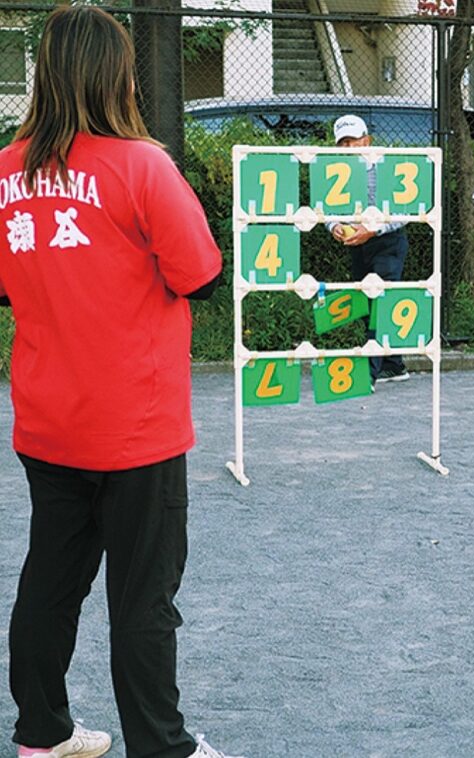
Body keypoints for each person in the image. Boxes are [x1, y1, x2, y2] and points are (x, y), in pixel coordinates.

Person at [0, 7, 238, 758]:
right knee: (143, 600)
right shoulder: (142, 165)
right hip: (137, 427)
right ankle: (160, 747)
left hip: (47, 421)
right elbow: (199, 273)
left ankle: (41, 735)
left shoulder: (6, 170)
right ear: (118, 74)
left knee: (50, 580)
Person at [326, 114, 410, 385]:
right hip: (357, 245)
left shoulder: (388, 165)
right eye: (343, 143)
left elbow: (407, 209)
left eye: (354, 141)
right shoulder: (334, 169)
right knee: (366, 304)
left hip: (389, 242)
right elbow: (326, 207)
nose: (349, 148)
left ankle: (368, 375)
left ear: (367, 140)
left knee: (380, 299)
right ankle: (394, 365)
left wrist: (374, 229)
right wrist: (334, 225)